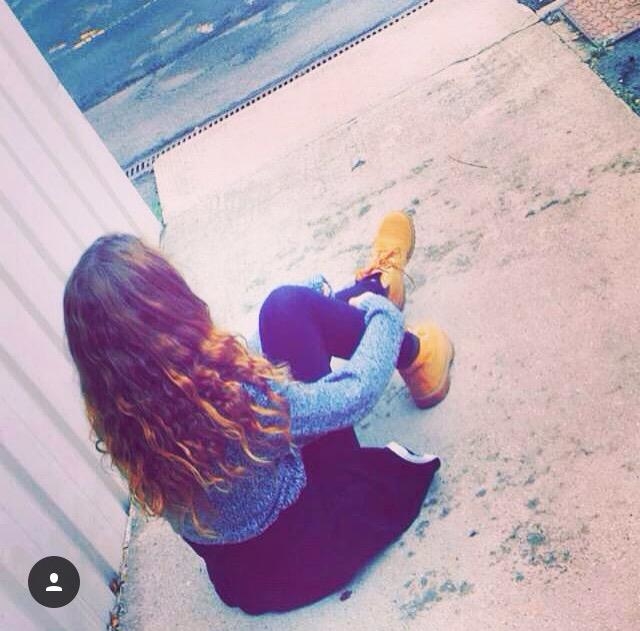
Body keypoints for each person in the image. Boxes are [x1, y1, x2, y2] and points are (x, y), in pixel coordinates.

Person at [63, 211, 454, 615]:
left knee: (284, 311)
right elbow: (353, 394)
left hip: (246, 582)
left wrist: (300, 312)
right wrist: (384, 315)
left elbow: (242, 365)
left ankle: (358, 296)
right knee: (290, 310)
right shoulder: (234, 402)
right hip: (317, 548)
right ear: (172, 308)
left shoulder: (123, 426)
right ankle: (409, 343)